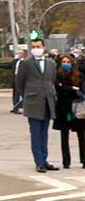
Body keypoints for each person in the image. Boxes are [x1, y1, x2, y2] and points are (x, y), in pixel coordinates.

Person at [14, 35, 59, 172]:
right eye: (33, 47)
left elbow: (52, 81)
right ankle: (38, 162)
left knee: (44, 133)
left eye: (38, 47)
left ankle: (44, 159)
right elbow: (19, 83)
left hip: (47, 102)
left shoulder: (51, 63)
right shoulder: (26, 63)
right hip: (33, 102)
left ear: (44, 48)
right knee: (36, 133)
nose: (36, 49)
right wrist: (27, 95)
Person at [55, 56, 85, 170]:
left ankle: (83, 160)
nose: (66, 64)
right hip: (63, 109)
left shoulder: (79, 75)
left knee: (81, 135)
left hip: (78, 108)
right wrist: (72, 88)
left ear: (72, 63)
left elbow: (80, 89)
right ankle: (66, 162)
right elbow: (59, 89)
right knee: (64, 135)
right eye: (64, 62)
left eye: (68, 62)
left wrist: (68, 88)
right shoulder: (58, 75)